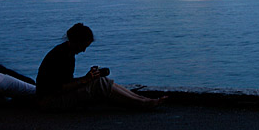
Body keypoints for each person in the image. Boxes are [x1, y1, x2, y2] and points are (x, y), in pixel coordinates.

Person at [36, 23, 167, 110]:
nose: (84, 51)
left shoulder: (65, 53)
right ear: (77, 42)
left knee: (101, 80)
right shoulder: (61, 56)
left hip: (51, 98)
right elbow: (57, 88)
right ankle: (142, 103)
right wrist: (85, 80)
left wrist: (87, 78)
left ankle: (142, 100)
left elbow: (65, 82)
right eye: (83, 46)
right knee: (99, 84)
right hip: (50, 101)